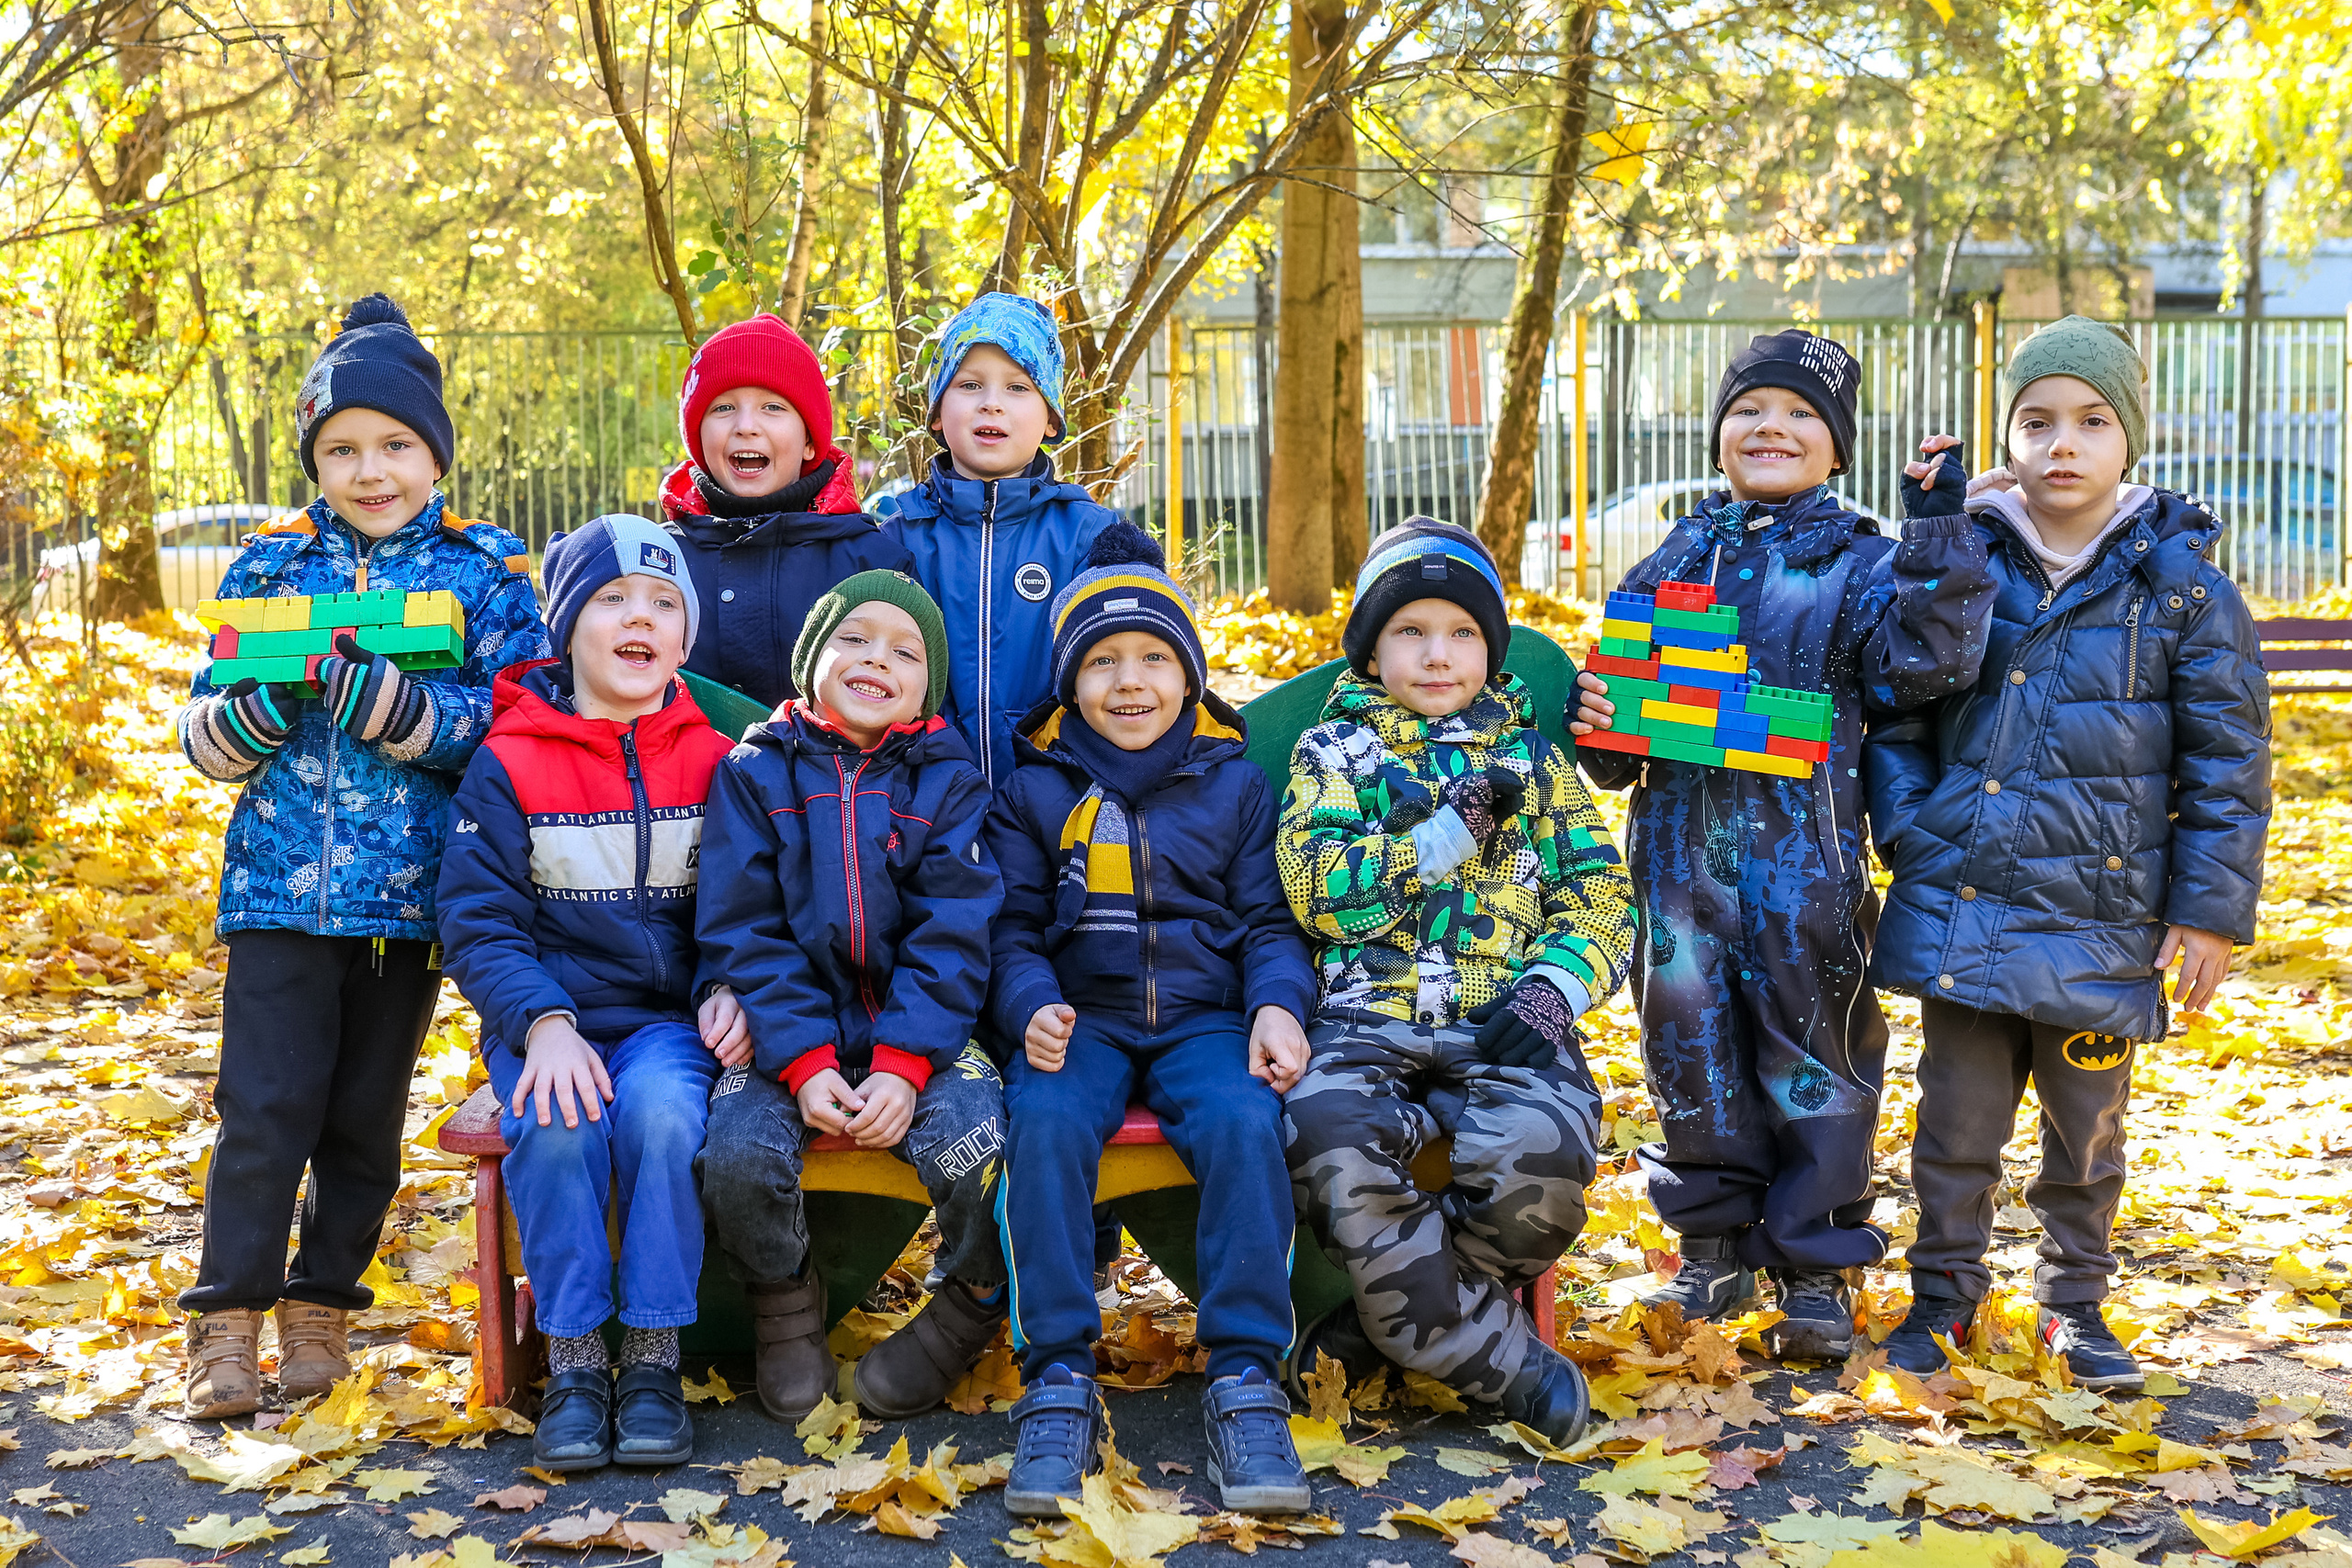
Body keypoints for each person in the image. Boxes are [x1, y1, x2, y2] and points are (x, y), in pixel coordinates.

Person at [1568, 330, 1995, 1359]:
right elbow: (1616, 747)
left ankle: (1815, 1261)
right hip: (1676, 876)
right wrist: (1598, 721)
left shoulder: (1863, 563)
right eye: (1751, 409)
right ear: (1718, 433)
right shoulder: (1675, 557)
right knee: (1690, 1054)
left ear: (1839, 448)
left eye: (1803, 414)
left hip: (1805, 871)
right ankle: (1712, 1244)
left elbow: (1927, 667)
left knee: (1816, 1058)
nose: (1773, 427)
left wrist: (1939, 536)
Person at [1866, 317, 2271, 1389]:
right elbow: (1899, 711)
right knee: (1954, 1126)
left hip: (2104, 919)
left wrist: (2207, 913)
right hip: (1968, 900)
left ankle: (2074, 1306)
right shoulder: (1966, 562)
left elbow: (2228, 765)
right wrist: (1913, 828)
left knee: (2085, 1136)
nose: (2063, 443)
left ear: (2129, 437)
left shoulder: (2183, 590)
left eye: (2092, 421)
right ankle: (1942, 1297)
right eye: (2036, 420)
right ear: (2007, 436)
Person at [174, 294, 551, 1416]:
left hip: (409, 899)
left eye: (394, 445)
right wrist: (256, 711)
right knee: (262, 1112)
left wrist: (405, 713)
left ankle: (320, 1310)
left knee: (362, 1127)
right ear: (314, 459)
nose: (369, 469)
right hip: (278, 895)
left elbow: (519, 721)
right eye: (341, 449)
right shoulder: (266, 568)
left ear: (434, 455)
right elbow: (202, 728)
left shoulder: (486, 573)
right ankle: (225, 1323)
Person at [1278, 517, 1634, 1445]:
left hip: (1503, 1016)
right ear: (1371, 651)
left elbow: (1603, 899)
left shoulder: (1536, 763)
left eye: (1462, 633)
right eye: (1410, 631)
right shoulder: (1334, 753)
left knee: (1544, 1157)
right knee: (1322, 1131)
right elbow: (1317, 890)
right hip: (1365, 1019)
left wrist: (1553, 988)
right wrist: (1440, 838)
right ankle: (1504, 1364)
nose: (1437, 655)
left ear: (1489, 650)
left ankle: (1377, 1327)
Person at [984, 525, 1317, 1517]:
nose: (1129, 682)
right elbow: (1008, 928)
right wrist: (1029, 1003)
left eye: (1154, 660)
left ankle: (1246, 1375)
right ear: (1068, 684)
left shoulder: (1232, 782)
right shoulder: (1034, 788)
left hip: (1205, 1018)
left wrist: (1275, 1006)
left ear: (1189, 676)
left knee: (1246, 1121)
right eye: (1102, 662)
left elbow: (1268, 922)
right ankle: (1056, 1376)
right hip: (1079, 1018)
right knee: (1043, 1126)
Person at [435, 514, 742, 1468]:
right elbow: (478, 919)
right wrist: (542, 1024)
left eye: (662, 602)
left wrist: (728, 985)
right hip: (548, 1021)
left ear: (684, 639)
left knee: (664, 1117)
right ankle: (572, 1356)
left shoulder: (717, 759)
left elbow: (748, 905)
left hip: (665, 1025)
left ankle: (651, 1355)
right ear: (567, 628)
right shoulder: (510, 760)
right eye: (612, 599)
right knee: (560, 1123)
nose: (638, 617)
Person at [694, 571, 1010, 1423]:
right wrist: (801, 1058)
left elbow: (954, 933)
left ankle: (974, 1297)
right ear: (811, 659)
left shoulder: (948, 781)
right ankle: (784, 1297)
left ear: (927, 687)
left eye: (906, 652)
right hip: (786, 1035)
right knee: (735, 1157)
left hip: (924, 1038)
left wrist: (905, 1063)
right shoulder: (754, 773)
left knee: (981, 1149)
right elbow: (744, 928)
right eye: (855, 639)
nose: (877, 659)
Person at [884, 293, 1119, 789]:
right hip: (925, 801)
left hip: (1059, 799)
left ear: (1051, 418)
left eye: (1017, 387)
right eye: (970, 385)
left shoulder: (1091, 537)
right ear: (936, 413)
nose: (991, 402)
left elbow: (1126, 669)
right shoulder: (897, 538)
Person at [658, 313, 915, 708]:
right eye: (723, 408)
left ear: (810, 442)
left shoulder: (872, 562)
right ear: (698, 439)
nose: (746, 426)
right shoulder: (660, 561)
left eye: (773, 407)